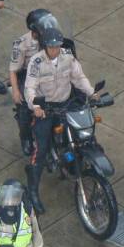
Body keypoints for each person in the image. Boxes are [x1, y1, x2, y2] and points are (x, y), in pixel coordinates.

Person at [24, 28, 97, 214]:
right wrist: (36, 107)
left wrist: (92, 93)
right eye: (51, 46)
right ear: (45, 46)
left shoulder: (68, 57)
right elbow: (30, 88)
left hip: (66, 105)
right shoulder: (36, 62)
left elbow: (78, 77)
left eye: (57, 46)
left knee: (87, 136)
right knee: (39, 151)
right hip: (46, 110)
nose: (55, 50)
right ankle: (32, 192)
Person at [10, 9, 64, 156]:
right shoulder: (21, 44)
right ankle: (26, 138)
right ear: (35, 30)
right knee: (25, 107)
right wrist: (15, 90)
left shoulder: (50, 39)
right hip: (27, 77)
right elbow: (13, 70)